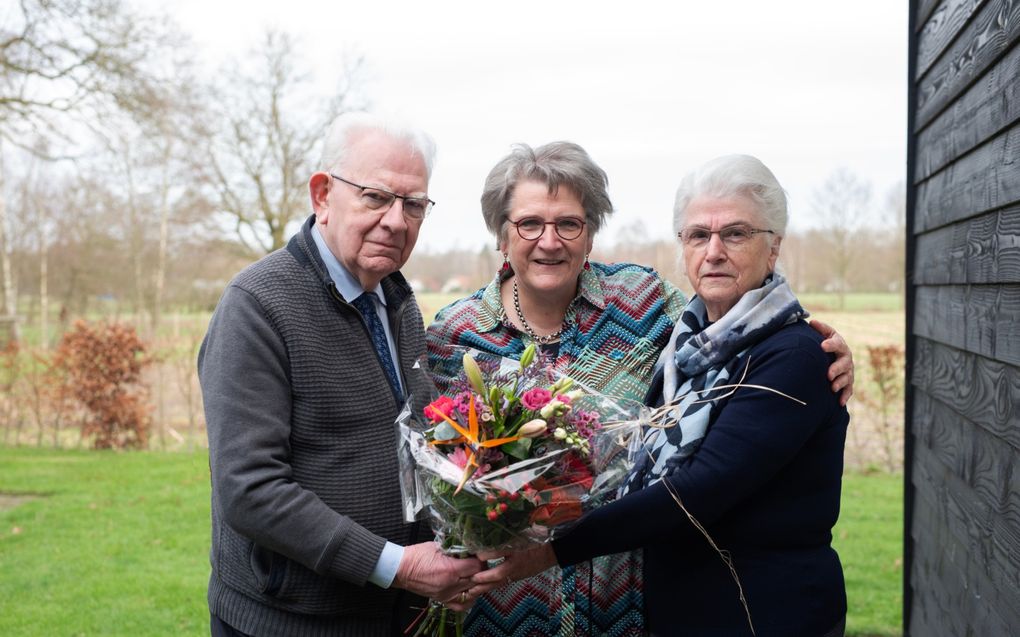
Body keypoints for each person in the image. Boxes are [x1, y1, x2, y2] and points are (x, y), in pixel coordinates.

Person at [425, 143, 854, 636]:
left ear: (590, 235)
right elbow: (432, 469)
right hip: (505, 607)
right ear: (502, 235)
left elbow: (737, 321)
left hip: (624, 608)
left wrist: (829, 346)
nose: (550, 241)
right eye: (528, 224)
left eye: (569, 223)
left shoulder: (644, 304)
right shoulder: (451, 336)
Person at [198, 112, 483, 637]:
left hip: (395, 615)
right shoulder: (258, 305)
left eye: (414, 204)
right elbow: (249, 487)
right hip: (288, 623)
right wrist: (398, 566)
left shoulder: (397, 302)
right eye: (376, 197)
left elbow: (408, 440)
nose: (397, 221)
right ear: (323, 195)